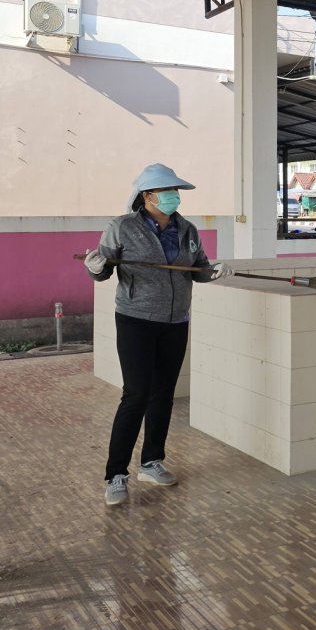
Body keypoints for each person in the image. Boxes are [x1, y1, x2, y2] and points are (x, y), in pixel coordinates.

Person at [84, 163, 233, 506]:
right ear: (147, 195)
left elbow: (197, 270)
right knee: (136, 394)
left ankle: (151, 462)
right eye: (166, 191)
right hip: (135, 319)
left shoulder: (187, 229)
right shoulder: (122, 227)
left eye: (175, 191)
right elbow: (104, 270)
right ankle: (116, 474)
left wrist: (214, 271)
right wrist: (95, 268)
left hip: (176, 320)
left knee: (163, 394)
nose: (173, 196)